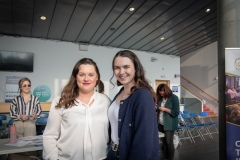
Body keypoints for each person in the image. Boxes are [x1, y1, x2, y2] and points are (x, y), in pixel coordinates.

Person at [42, 58, 111, 160]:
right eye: (81, 74)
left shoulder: (106, 101)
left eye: (91, 75)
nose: (86, 79)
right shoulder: (60, 101)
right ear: (75, 77)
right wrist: (53, 158)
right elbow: (49, 136)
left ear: (97, 78)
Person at [107, 50, 160, 160]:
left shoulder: (142, 95)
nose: (121, 72)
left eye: (126, 67)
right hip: (113, 153)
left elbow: (144, 140)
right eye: (117, 68)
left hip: (128, 154)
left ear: (136, 68)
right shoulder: (120, 92)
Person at [156, 83, 180, 160]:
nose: (161, 93)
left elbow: (176, 112)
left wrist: (165, 109)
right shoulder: (160, 98)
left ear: (166, 90)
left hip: (169, 124)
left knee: (169, 142)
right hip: (160, 123)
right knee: (164, 142)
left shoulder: (174, 98)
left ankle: (170, 158)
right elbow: (158, 109)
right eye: (160, 92)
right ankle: (165, 157)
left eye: (162, 92)